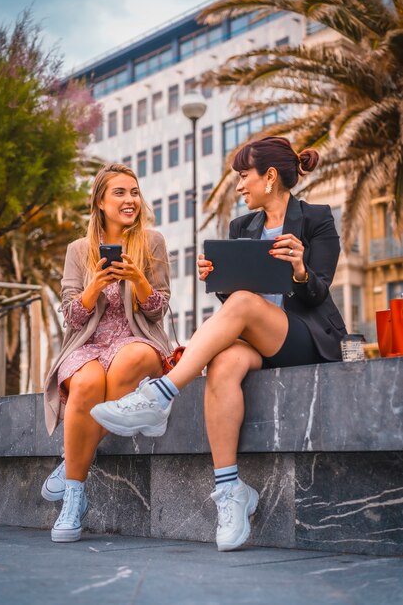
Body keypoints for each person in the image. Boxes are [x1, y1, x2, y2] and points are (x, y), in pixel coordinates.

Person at [90, 137, 347, 552]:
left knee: (244, 306)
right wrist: (218, 278)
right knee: (225, 362)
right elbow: (238, 303)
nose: (239, 187)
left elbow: (317, 292)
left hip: (305, 337)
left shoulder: (316, 219)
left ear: (269, 176)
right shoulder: (241, 227)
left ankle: (162, 393)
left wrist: (300, 268)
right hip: (256, 338)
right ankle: (230, 491)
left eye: (243, 177)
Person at [42, 162, 173, 543]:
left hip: (139, 338)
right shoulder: (79, 251)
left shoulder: (153, 243)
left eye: (134, 192)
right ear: (100, 201)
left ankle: (71, 463)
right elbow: (71, 315)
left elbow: (158, 308)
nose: (130, 199)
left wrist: (139, 279)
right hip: (89, 344)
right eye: (120, 192)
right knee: (84, 383)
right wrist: (92, 287)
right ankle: (76, 499)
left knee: (126, 363)